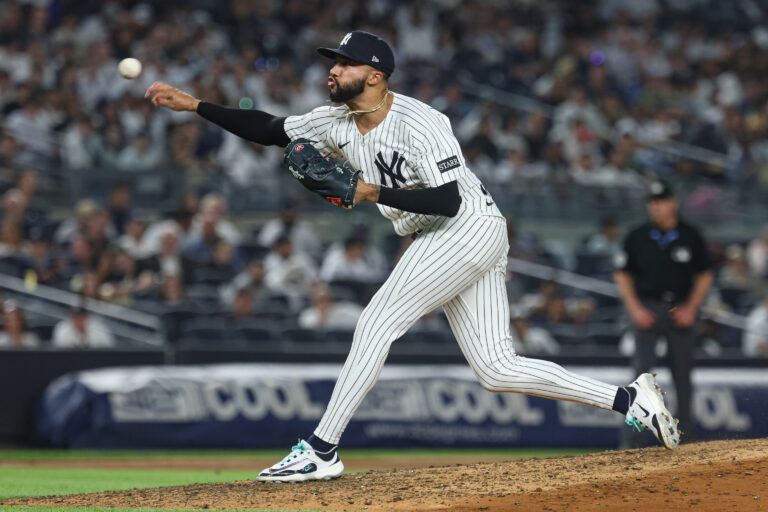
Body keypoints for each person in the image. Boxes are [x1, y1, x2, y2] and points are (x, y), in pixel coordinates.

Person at [146, 30, 680, 483]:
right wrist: (195, 105)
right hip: (444, 236)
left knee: (376, 322)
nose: (333, 70)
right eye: (333, 62)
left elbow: (447, 198)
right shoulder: (332, 122)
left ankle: (322, 450)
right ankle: (630, 400)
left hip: (465, 225)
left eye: (344, 63)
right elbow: (268, 129)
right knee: (496, 369)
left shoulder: (421, 122)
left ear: (375, 75)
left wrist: (370, 193)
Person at [613, 179, 713, 442]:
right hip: (647, 307)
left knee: (683, 377)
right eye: (652, 203)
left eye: (661, 202)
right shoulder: (638, 236)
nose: (656, 207)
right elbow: (622, 275)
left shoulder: (691, 235)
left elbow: (705, 275)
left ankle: (686, 441)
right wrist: (635, 309)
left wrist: (692, 308)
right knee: (640, 377)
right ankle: (632, 441)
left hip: (680, 309)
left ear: (673, 203)